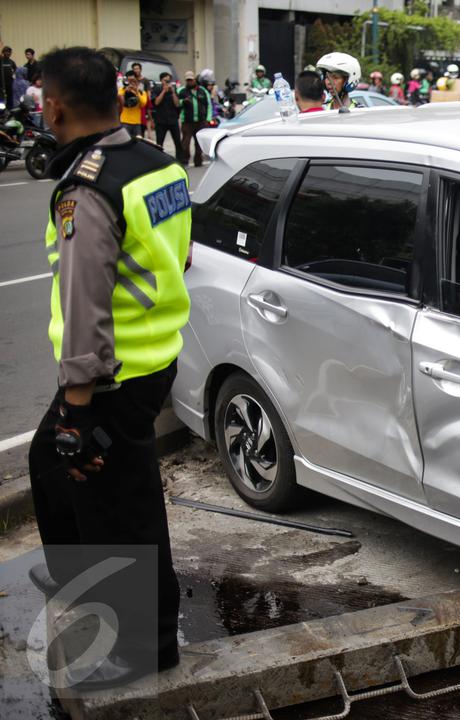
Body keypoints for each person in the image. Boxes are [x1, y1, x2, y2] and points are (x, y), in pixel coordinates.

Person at [28, 45, 190, 690]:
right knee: (50, 464)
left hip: (112, 374)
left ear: (55, 106)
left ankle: (147, 644)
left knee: (122, 509)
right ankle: (75, 569)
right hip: (154, 358)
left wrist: (78, 401)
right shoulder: (156, 162)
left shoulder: (87, 189)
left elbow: (84, 301)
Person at [177, 71, 211, 166]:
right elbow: (176, 103)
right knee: (185, 143)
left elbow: (208, 105)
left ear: (194, 80)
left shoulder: (202, 91)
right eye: (188, 80)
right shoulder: (181, 91)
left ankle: (198, 161)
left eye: (191, 80)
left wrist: (208, 119)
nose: (189, 82)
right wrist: (183, 101)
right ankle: (185, 161)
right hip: (187, 122)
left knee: (199, 143)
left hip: (200, 121)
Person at [150, 71, 181, 156]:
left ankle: (180, 159)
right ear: (161, 81)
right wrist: (163, 91)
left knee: (178, 142)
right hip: (161, 120)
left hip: (173, 119)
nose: (167, 82)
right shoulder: (157, 89)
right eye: (165, 80)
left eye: (168, 81)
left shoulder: (173, 90)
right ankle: (159, 159)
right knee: (159, 143)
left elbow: (177, 104)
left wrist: (173, 92)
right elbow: (156, 103)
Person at [118, 71, 149, 137]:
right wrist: (125, 91)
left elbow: (143, 104)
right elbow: (119, 100)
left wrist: (136, 91)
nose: (131, 82)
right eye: (129, 80)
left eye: (133, 80)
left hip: (136, 123)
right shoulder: (122, 90)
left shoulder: (142, 92)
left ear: (136, 80)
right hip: (124, 121)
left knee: (138, 142)